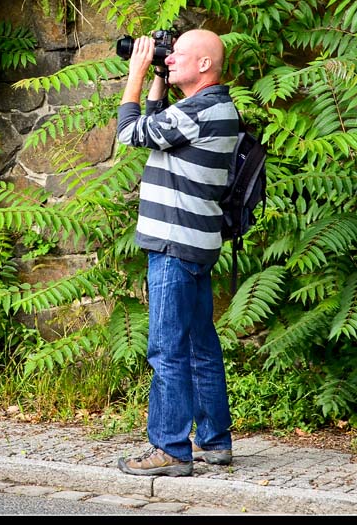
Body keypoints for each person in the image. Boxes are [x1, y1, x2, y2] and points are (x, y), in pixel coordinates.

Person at [114, 29, 238, 477]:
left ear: (204, 64)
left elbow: (131, 133)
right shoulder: (209, 108)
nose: (168, 59)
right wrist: (159, 82)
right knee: (200, 344)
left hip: (173, 245)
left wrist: (136, 72)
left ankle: (168, 448)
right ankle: (214, 441)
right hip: (194, 242)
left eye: (176, 54)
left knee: (167, 349)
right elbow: (157, 129)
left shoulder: (199, 111)